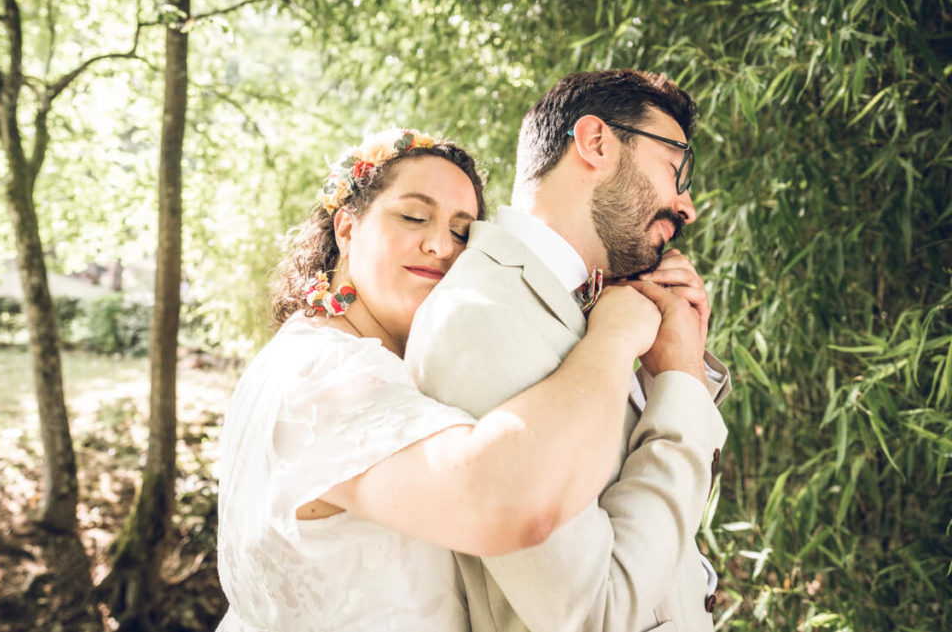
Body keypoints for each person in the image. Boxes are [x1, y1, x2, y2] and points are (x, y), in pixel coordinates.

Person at [215, 128, 673, 631]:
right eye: (413, 216)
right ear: (347, 229)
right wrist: (612, 340)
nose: (439, 245)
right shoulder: (322, 376)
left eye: (462, 231)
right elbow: (506, 501)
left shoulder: (336, 356)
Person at [406, 69, 732, 632]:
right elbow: (596, 612)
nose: (687, 205)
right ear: (597, 143)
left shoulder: (599, 301)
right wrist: (680, 384)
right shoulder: (480, 318)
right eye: (676, 168)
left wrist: (675, 373)